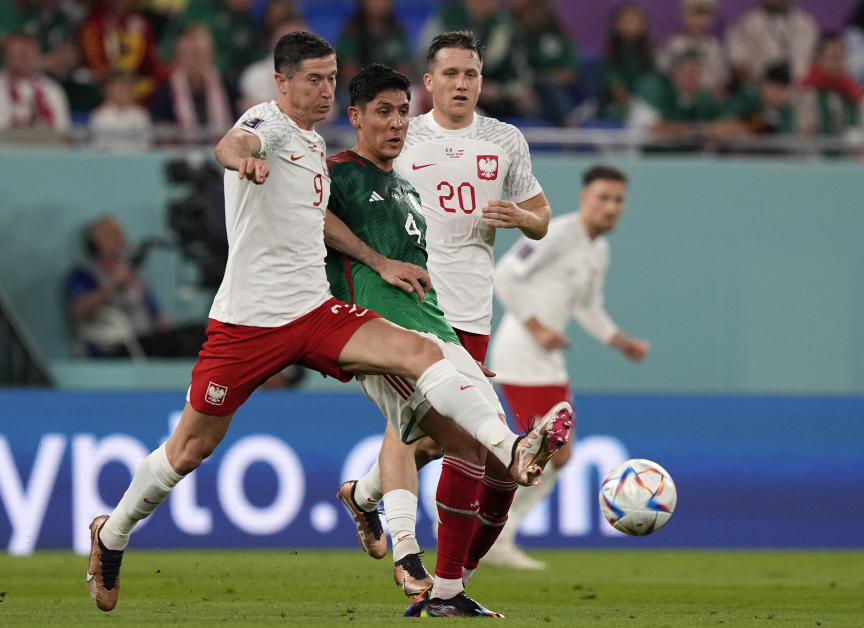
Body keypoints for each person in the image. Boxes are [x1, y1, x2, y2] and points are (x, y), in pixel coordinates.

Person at [85, 31, 561, 614]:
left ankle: (505, 449)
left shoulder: (315, 148)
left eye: (332, 77)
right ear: (282, 82)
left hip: (315, 313)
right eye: (313, 79)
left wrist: (377, 260)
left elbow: (322, 223)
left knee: (423, 353)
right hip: (248, 322)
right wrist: (242, 158)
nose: (325, 89)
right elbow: (231, 144)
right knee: (190, 449)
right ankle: (112, 535)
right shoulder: (272, 122)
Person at [326, 63, 573, 617]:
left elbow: (540, 218)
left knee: (451, 445)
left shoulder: (488, 147)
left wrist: (523, 218)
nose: (462, 83)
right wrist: (374, 262)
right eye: (451, 73)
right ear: (430, 81)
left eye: (473, 74)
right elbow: (311, 217)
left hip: (454, 316)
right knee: (444, 439)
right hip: (386, 327)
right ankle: (417, 562)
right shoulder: (352, 167)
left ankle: (368, 501)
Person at [482, 165, 649, 569]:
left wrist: (620, 341)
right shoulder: (558, 232)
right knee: (545, 453)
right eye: (603, 198)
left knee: (554, 455)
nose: (611, 207)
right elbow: (504, 275)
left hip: (546, 358)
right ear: (584, 200)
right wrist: (538, 327)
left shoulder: (598, 250)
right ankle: (490, 533)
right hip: (522, 353)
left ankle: (493, 532)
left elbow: (588, 307)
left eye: (618, 200)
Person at [65, 216, 203, 357]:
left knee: (198, 335)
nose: (117, 238)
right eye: (109, 235)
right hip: (114, 344)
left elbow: (157, 315)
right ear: (94, 243)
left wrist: (170, 327)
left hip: (146, 339)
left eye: (118, 233)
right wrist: (114, 286)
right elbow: (78, 311)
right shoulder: (84, 274)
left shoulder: (134, 275)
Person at [0, 31, 70, 139]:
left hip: (48, 152)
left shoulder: (53, 89)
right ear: (6, 57)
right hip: (8, 153)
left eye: (30, 53)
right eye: (20, 54)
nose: (26, 58)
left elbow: (62, 132)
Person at [150, 25, 233, 142]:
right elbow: (162, 130)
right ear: (178, 59)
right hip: (180, 155)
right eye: (189, 56)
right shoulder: (165, 91)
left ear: (211, 57)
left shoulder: (227, 86)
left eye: (200, 55)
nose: (195, 61)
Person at [726, 0, 819, 86]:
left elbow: (816, 61)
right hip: (759, 93)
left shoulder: (807, 24)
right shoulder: (744, 24)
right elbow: (737, 63)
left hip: (801, 93)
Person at [598, 2, 656, 124]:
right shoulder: (611, 57)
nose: (631, 24)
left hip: (648, 105)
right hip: (620, 108)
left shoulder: (651, 55)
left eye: (635, 20)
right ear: (617, 25)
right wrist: (637, 109)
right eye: (627, 20)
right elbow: (617, 89)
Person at [657, 0, 728, 98]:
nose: (697, 21)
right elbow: (665, 70)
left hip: (705, 95)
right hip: (678, 95)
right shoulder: (674, 43)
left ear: (711, 19)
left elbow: (720, 78)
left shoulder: (713, 46)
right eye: (692, 15)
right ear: (684, 16)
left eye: (703, 16)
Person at [796, 33, 863, 137]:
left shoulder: (852, 91)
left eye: (842, 57)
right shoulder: (807, 90)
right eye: (834, 57)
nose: (839, 62)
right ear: (819, 59)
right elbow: (802, 131)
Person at [90, 72, 152, 151]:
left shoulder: (141, 115)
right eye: (118, 86)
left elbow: (146, 145)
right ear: (109, 90)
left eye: (126, 86)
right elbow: (98, 146)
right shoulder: (99, 115)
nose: (122, 90)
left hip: (135, 160)